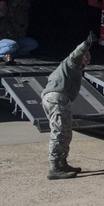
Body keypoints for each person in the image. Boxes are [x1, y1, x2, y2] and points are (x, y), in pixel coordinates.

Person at [42, 32, 96, 180]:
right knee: (59, 133)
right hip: (57, 99)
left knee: (65, 133)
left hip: (57, 99)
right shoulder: (71, 63)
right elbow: (76, 54)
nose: (85, 64)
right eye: (85, 61)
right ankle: (54, 168)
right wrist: (86, 44)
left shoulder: (70, 68)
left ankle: (62, 163)